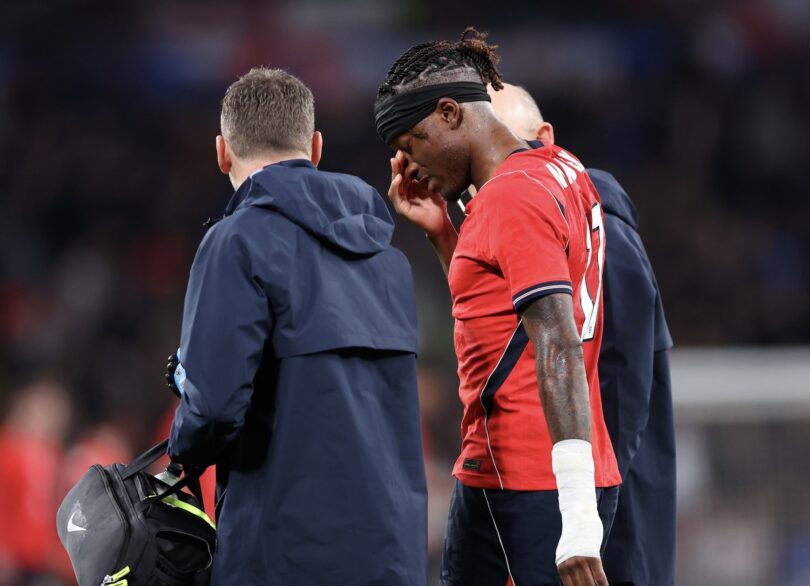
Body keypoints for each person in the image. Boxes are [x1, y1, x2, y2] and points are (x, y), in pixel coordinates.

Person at [375, 29, 621, 586]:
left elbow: (556, 338)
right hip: (500, 471)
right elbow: (496, 310)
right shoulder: (559, 167)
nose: (409, 165)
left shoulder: (512, 198)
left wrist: (577, 515)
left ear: (449, 113)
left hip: (533, 481)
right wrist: (443, 234)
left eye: (412, 143)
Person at [168, 67, 427, 585]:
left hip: (281, 554)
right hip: (392, 555)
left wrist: (179, 452)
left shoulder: (235, 241)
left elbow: (214, 410)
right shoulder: (388, 259)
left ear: (223, 152)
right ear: (315, 147)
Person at [488, 83, 676, 586]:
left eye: (504, 142)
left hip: (604, 540)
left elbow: (621, 390)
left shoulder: (598, 227)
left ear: (545, 139)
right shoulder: (516, 227)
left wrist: (583, 520)